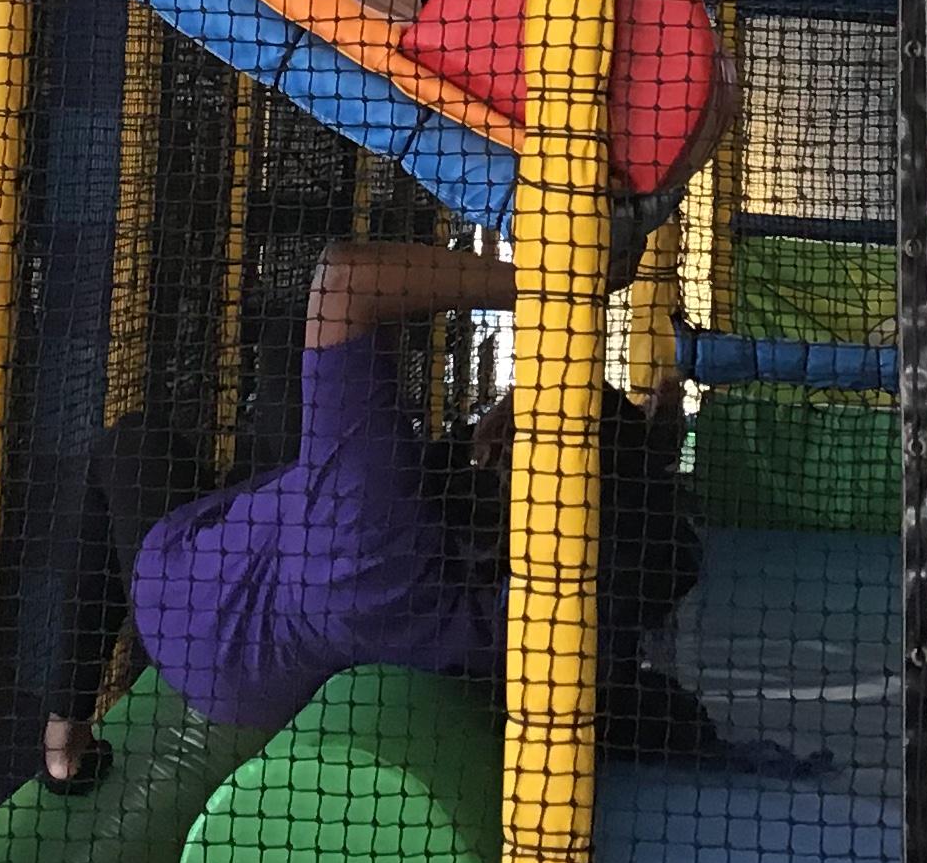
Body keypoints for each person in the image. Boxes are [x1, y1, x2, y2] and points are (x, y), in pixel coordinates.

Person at [40, 239, 729, 788]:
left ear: (500, 453)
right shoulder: (559, 600)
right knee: (286, 364)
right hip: (295, 557)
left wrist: (558, 286)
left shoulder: (371, 526)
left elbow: (346, 279)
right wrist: (631, 416)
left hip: (203, 618)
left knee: (131, 446)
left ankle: (63, 738)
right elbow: (625, 498)